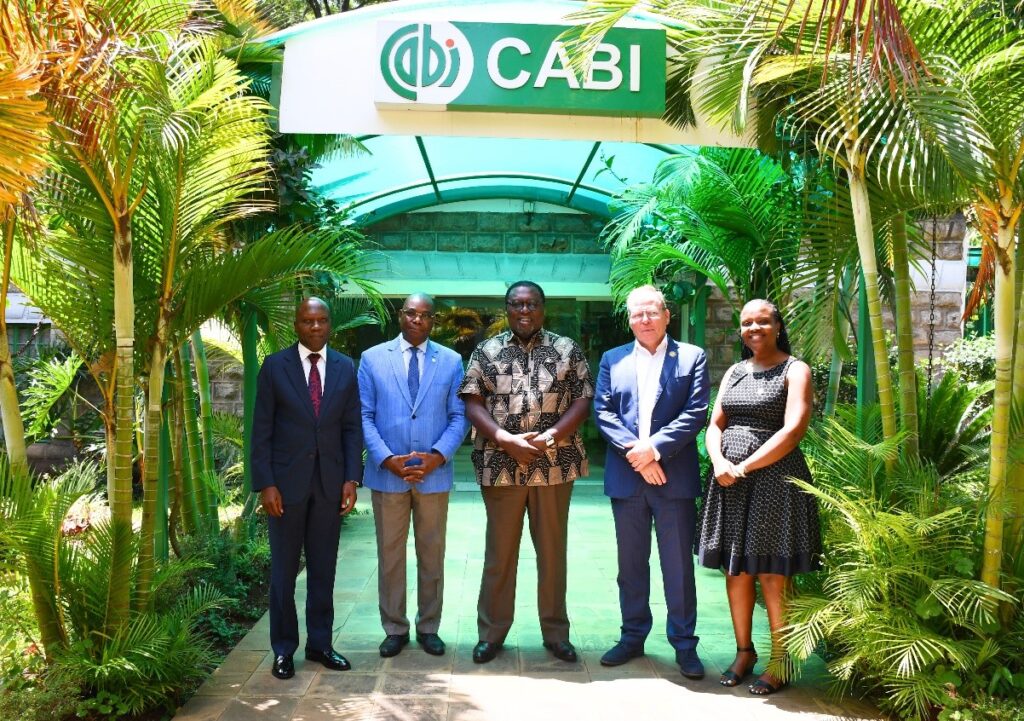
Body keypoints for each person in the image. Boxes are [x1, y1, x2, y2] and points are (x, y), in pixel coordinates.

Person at [458, 280, 593, 664]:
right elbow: (472, 401)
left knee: (552, 553)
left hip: (555, 464)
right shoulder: (487, 350)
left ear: (543, 308)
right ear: (507, 308)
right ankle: (492, 633)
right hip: (501, 466)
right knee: (500, 554)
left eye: (531, 304)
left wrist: (549, 437)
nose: (524, 311)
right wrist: (505, 439)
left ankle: (555, 633)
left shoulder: (567, 349)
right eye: (516, 305)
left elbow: (584, 399)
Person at [696, 298, 821, 695]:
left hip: (774, 482)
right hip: (729, 482)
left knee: (771, 572)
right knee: (736, 570)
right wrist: (718, 460)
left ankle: (780, 661)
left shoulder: (795, 369)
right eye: (747, 323)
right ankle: (744, 652)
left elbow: (794, 428)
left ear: (778, 326)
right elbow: (715, 423)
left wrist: (745, 465)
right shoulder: (735, 370)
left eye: (762, 322)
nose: (754, 328)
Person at [593, 285, 710, 680]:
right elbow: (604, 412)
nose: (644, 320)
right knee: (630, 565)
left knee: (677, 566)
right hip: (628, 479)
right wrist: (639, 455)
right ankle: (632, 636)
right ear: (629, 319)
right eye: (636, 314)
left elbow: (696, 412)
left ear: (666, 315)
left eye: (651, 313)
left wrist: (655, 450)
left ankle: (684, 644)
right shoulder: (613, 359)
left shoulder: (692, 357)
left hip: (673, 479)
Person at [251, 297, 363, 680]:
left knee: (323, 570)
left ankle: (320, 644)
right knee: (283, 573)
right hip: (285, 486)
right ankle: (283, 649)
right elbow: (261, 429)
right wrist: (266, 483)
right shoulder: (274, 367)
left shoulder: (347, 368)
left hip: (330, 485)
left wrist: (352, 478)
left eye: (321, 321)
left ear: (330, 325)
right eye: (307, 321)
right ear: (296, 325)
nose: (315, 327)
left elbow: (351, 428)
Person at [357, 293, 468, 658]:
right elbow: (364, 415)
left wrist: (437, 456)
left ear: (433, 320)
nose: (416, 320)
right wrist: (386, 459)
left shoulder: (451, 361)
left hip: (433, 476)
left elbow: (459, 415)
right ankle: (395, 627)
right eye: (410, 313)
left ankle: (429, 626)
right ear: (399, 316)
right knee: (390, 555)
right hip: (388, 476)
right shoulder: (372, 359)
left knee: (432, 553)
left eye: (424, 315)